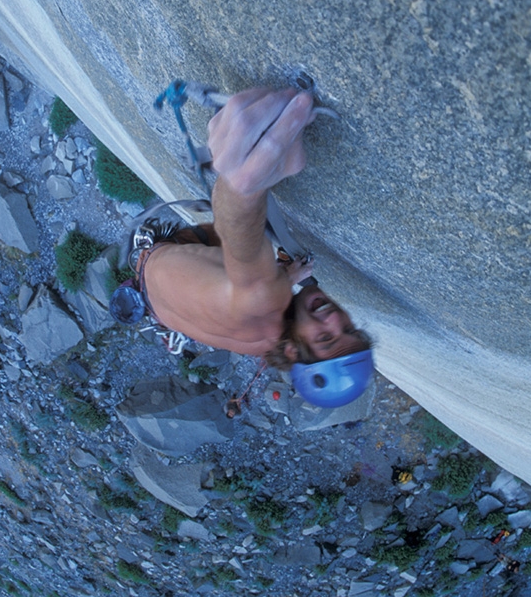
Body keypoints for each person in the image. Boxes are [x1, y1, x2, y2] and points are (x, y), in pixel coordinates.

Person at [129, 86, 373, 405]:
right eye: (350, 331)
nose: (336, 320)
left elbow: (242, 240)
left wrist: (242, 185)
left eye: (326, 338)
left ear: (291, 350)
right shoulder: (261, 342)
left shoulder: (266, 299)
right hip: (155, 300)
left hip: (165, 259)